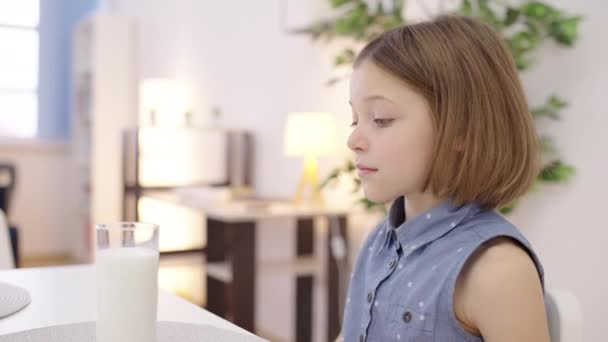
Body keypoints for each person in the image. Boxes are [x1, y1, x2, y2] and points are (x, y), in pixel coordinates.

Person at [342, 15, 550, 342]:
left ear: (462, 130)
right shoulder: (379, 242)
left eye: (381, 119)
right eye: (355, 120)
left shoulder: (496, 269)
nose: (354, 140)